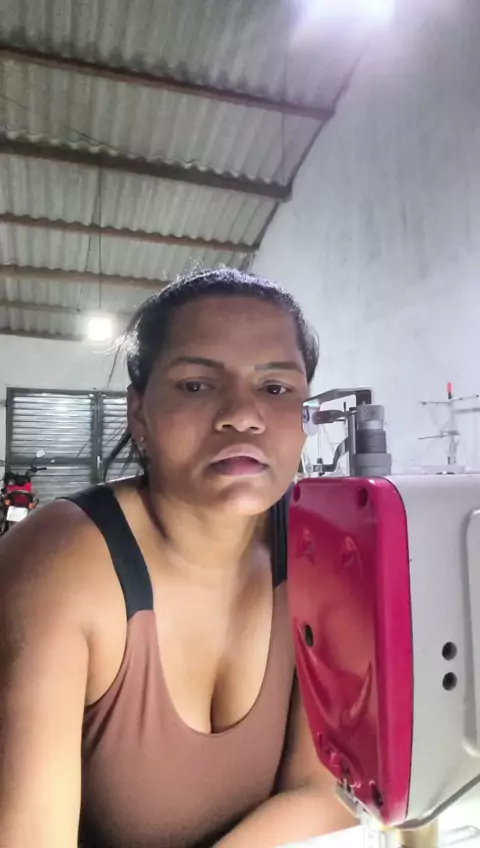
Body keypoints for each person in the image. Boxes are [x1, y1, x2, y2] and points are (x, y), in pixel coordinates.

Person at [0, 269, 354, 848]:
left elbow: (324, 794)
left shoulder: (326, 554)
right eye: (196, 385)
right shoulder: (61, 558)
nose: (243, 415)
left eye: (275, 388)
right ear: (139, 414)